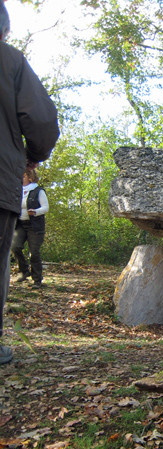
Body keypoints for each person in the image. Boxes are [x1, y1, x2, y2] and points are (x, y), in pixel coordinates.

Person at [0, 0, 59, 364]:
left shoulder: (35, 191)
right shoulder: (9, 61)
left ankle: (36, 279)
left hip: (32, 224)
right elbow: (40, 119)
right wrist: (34, 152)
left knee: (29, 250)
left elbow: (43, 206)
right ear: (4, 30)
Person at [12, 169, 49, 289]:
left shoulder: (38, 191)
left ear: (30, 177)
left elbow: (46, 207)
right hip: (21, 224)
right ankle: (24, 271)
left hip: (35, 225)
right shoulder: (17, 190)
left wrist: (36, 211)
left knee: (34, 253)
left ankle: (37, 280)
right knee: (15, 247)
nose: (21, 179)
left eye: (23, 177)